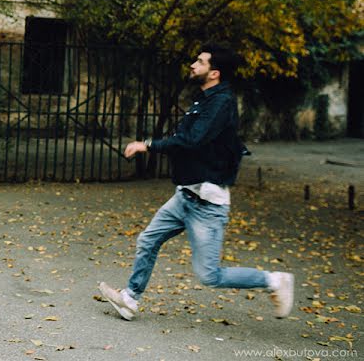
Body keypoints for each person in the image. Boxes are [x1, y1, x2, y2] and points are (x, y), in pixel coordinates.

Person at [98, 44, 293, 321]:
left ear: (214, 72)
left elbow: (193, 140)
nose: (192, 64)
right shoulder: (204, 99)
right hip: (186, 195)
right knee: (148, 240)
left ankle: (274, 281)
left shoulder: (221, 103)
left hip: (207, 203)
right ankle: (130, 299)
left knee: (209, 276)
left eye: (199, 62)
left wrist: (148, 145)